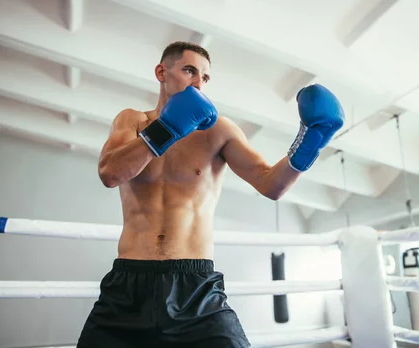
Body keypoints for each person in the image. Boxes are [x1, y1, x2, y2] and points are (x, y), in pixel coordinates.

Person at [77, 41, 345, 347]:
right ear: (161, 72)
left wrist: (308, 143)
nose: (198, 83)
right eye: (189, 71)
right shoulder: (132, 121)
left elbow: (270, 185)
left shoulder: (219, 130)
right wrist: (167, 127)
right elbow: (111, 173)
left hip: (196, 288)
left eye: (205, 78)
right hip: (128, 286)